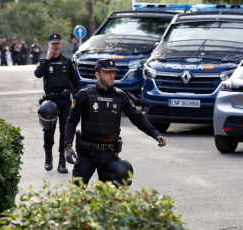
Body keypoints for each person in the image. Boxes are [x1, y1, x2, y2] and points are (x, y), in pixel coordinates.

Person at [63, 58, 167, 186]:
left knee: (110, 199)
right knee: (77, 192)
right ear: (97, 75)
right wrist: (67, 145)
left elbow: (138, 119)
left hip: (109, 155)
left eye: (113, 72)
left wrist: (155, 134)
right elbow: (72, 121)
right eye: (107, 72)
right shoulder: (84, 95)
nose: (112, 75)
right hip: (87, 153)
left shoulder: (121, 97)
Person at [34, 33, 82, 173]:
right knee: (48, 131)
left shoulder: (67, 61)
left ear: (60, 44)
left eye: (57, 43)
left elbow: (76, 81)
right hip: (50, 102)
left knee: (64, 131)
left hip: (65, 100)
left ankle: (62, 161)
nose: (55, 46)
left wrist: (80, 96)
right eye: (52, 43)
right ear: (49, 45)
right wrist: (46, 60)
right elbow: (38, 74)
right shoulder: (44, 61)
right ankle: (48, 157)